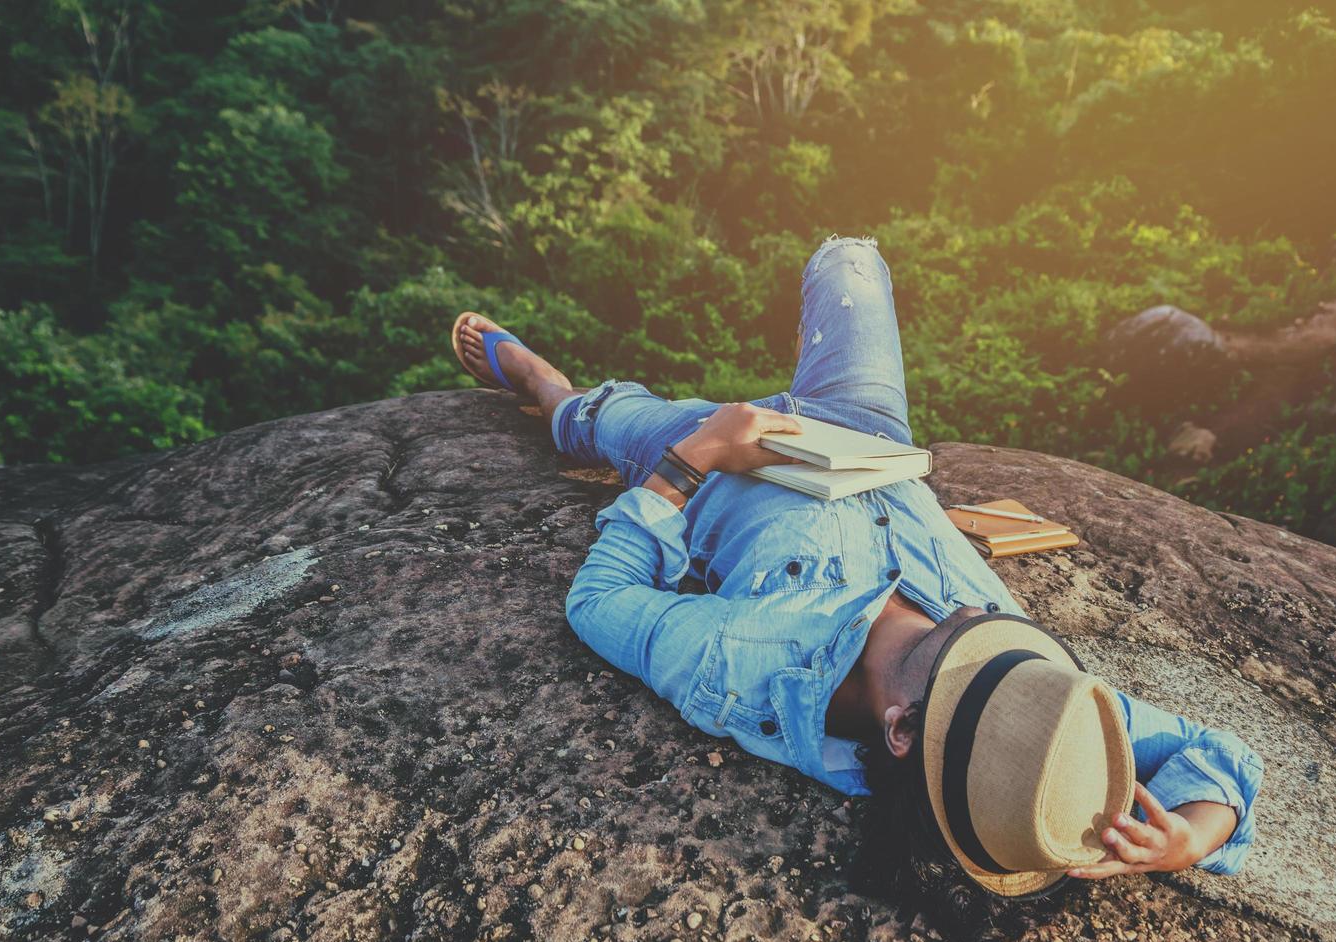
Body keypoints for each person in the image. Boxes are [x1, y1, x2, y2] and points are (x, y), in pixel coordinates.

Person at [450, 236, 1263, 906]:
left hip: (727, 463)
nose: (991, 624)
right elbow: (1217, 752)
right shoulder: (1032, 703)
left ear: (902, 728)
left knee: (589, 423)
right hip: (863, 433)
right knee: (849, 257)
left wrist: (697, 457)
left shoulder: (751, 664)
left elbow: (600, 602)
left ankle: (540, 379)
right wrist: (1186, 838)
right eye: (1009, 646)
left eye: (969, 656)